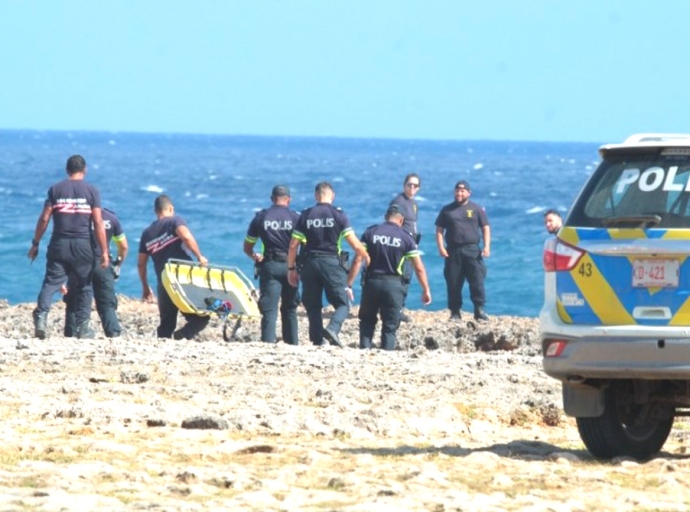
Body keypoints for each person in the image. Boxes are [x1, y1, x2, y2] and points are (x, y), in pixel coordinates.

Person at [28, 155, 109, 339]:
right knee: (84, 286)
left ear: (67, 170)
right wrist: (104, 251)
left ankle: (41, 317)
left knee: (50, 283)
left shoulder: (55, 189)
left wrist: (35, 243)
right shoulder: (91, 191)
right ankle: (82, 327)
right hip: (83, 245)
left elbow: (44, 218)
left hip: (59, 243)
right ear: (85, 170)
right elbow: (97, 221)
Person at [286, 182, 370, 347]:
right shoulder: (339, 215)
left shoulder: (306, 215)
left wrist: (291, 268)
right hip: (331, 262)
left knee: (313, 304)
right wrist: (366, 256)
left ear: (316, 196)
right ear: (332, 196)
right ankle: (333, 328)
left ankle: (317, 341)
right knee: (343, 303)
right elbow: (355, 244)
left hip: (309, 263)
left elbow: (293, 245)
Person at [350, 204, 431, 350]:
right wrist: (426, 290)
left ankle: (364, 351)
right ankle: (387, 354)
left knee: (367, 321)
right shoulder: (406, 238)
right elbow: (418, 268)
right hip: (394, 286)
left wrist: (348, 283)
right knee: (390, 325)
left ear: (385, 217)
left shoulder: (371, 232)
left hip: (372, 282)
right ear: (401, 220)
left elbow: (357, 259)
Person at [138, 194, 210, 339]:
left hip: (164, 281)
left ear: (156, 211)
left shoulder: (147, 233)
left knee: (166, 323)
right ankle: (182, 336)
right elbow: (186, 237)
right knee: (200, 317)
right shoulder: (174, 221)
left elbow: (141, 264)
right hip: (181, 277)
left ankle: (162, 349)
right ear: (170, 208)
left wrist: (145, 288)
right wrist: (199, 256)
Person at [243, 185, 300, 344]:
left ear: (271, 199)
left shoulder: (261, 217)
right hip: (291, 266)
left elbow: (247, 246)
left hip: (270, 265)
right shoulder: (296, 218)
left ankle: (268, 345)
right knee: (290, 309)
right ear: (288, 200)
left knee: (269, 310)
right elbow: (305, 243)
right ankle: (293, 345)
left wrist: (254, 256)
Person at [64, 208, 128, 338]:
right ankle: (113, 333)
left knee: (74, 299)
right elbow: (123, 246)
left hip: (79, 263)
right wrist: (117, 266)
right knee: (106, 302)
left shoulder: (76, 218)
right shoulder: (111, 218)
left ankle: (71, 334)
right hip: (103, 263)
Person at [435, 180, 491, 322]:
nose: (459, 193)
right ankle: (455, 312)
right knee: (453, 282)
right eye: (457, 191)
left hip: (472, 250)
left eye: (462, 191)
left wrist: (486, 246)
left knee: (477, 281)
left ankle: (479, 310)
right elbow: (439, 229)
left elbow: (485, 227)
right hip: (453, 251)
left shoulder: (477, 209)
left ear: (468, 193)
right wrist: (441, 247)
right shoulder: (447, 210)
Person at [389, 173, 421, 322]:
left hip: (411, 245)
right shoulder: (399, 202)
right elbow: (392, 223)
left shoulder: (413, 203)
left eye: (415, 185)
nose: (412, 187)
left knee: (407, 277)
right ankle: (396, 310)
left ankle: (399, 307)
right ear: (404, 185)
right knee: (401, 277)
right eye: (410, 184)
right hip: (402, 246)